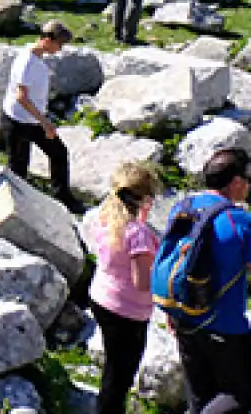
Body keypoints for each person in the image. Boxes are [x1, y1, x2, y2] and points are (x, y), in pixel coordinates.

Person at [171, 149, 251, 414]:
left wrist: (172, 307)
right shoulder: (245, 223)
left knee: (200, 397)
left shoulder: (183, 208)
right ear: (235, 182)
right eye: (248, 179)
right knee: (242, 394)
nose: (249, 185)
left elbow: (171, 259)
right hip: (226, 325)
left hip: (185, 317)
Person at [83, 162, 162, 414]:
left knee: (113, 369)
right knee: (120, 377)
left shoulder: (102, 218)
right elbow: (142, 282)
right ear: (145, 198)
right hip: (128, 311)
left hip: (102, 297)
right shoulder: (138, 233)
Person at [4, 20, 80, 211]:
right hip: (18, 121)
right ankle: (17, 210)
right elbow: (22, 97)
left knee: (59, 153)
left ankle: (62, 197)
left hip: (32, 119)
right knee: (18, 169)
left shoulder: (36, 56)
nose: (60, 48)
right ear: (46, 39)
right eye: (59, 43)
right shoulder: (26, 62)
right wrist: (45, 122)